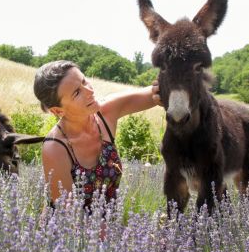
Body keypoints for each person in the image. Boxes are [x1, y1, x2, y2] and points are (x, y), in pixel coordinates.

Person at [33, 60, 161, 209]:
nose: (89, 91)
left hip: (108, 225)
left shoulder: (105, 112)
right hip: (71, 229)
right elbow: (67, 219)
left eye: (84, 81)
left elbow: (156, 93)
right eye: (77, 93)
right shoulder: (55, 148)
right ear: (57, 111)